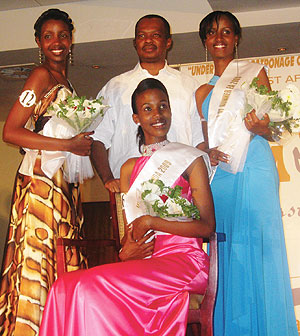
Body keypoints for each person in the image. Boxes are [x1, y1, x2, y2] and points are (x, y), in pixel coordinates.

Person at [39, 78, 215, 336]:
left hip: (185, 261)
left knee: (90, 289)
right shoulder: (129, 168)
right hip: (146, 260)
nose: (157, 114)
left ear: (170, 111)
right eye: (148, 109)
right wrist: (126, 250)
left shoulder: (191, 160)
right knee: (65, 285)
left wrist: (153, 222)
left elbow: (207, 226)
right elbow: (131, 231)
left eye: (163, 106)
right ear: (135, 118)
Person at [195, 11, 298, 335]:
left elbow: (272, 128)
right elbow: (203, 140)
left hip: (253, 164)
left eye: (226, 31)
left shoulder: (256, 73)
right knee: (225, 248)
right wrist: (205, 151)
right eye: (212, 32)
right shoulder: (200, 93)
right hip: (221, 172)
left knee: (259, 244)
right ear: (205, 42)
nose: (219, 37)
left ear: (237, 38)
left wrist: (261, 126)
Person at [0, 9, 93, 336]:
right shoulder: (40, 76)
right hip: (41, 184)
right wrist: (67, 144)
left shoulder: (66, 81)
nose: (57, 42)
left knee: (60, 255)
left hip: (62, 184)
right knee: (39, 259)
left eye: (63, 35)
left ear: (72, 39)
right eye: (49, 36)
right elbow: (10, 131)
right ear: (39, 41)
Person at [91, 14, 203, 193]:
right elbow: (97, 139)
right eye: (142, 36)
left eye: (156, 35)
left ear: (168, 42)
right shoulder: (115, 87)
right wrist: (108, 178)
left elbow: (199, 140)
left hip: (180, 184)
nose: (148, 41)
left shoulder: (189, 85)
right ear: (135, 43)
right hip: (129, 186)